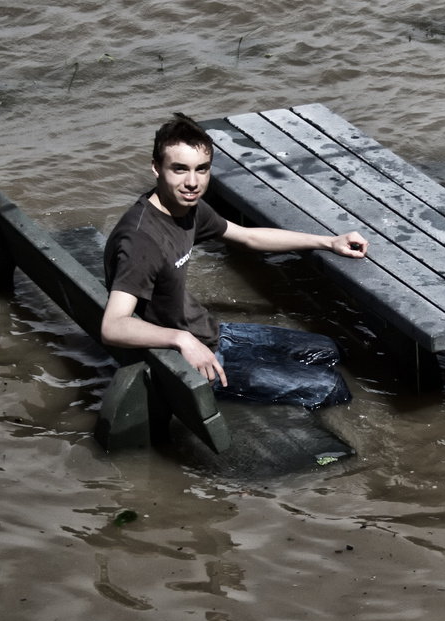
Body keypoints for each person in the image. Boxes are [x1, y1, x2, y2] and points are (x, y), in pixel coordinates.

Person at [100, 113, 369, 406]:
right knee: (329, 388)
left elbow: (246, 237)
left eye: (201, 169)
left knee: (329, 350)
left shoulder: (187, 209)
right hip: (186, 362)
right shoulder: (143, 242)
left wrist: (328, 242)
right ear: (156, 168)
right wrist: (182, 340)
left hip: (210, 333)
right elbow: (113, 326)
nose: (192, 182)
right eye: (179, 169)